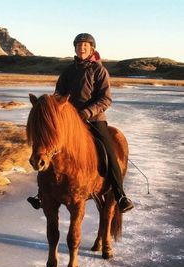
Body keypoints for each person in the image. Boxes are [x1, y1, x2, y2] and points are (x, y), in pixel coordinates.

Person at [27, 33, 134, 213]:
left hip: (93, 119)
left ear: (92, 48)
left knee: (108, 152)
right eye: (78, 45)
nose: (81, 48)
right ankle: (42, 193)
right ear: (75, 48)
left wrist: (86, 112)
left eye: (85, 45)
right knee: (50, 149)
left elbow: (105, 99)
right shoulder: (68, 71)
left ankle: (119, 194)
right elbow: (58, 96)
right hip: (69, 122)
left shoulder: (99, 71)